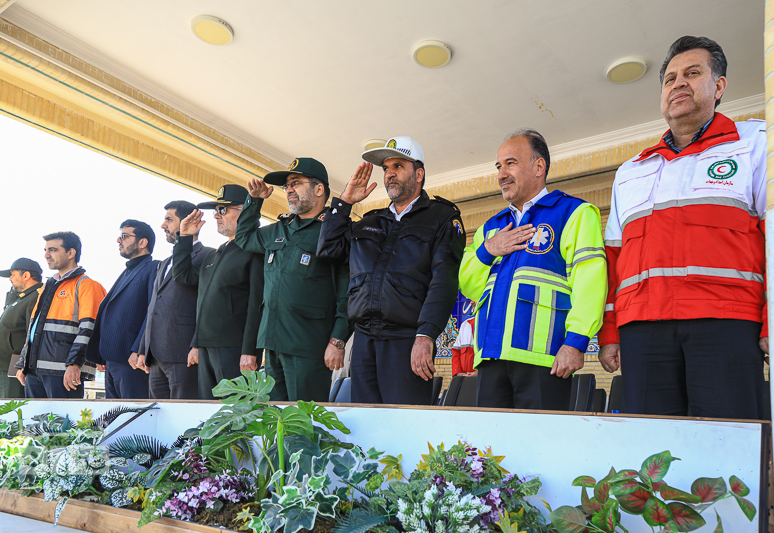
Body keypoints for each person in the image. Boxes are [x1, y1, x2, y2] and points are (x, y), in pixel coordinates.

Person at [598, 36, 768, 419]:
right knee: (651, 445)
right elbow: (614, 261)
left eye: (692, 73)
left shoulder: (755, 144)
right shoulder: (631, 171)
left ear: (719, 86)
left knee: (726, 442)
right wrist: (609, 332)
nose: (678, 84)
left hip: (726, 321)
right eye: (670, 78)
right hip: (642, 329)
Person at [459, 129, 607, 410]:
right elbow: (469, 286)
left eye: (510, 163)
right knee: (491, 438)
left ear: (539, 167)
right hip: (490, 357)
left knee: (540, 438)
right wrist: (488, 250)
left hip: (545, 359)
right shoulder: (490, 228)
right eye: (498, 166)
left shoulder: (574, 213)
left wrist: (576, 342)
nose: (501, 174)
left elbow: (590, 282)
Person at [317, 136, 465, 405]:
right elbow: (328, 250)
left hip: (407, 340)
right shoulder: (370, 221)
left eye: (398, 166)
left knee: (404, 421)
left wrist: (425, 336)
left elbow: (443, 282)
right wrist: (345, 202)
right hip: (364, 340)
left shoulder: (441, 218)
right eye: (386, 168)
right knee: (366, 420)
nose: (389, 174)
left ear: (418, 174)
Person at [234, 158, 352, 402]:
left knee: (304, 419)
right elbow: (244, 238)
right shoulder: (280, 229)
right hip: (272, 342)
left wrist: (338, 340)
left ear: (319, 189)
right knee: (278, 417)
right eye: (286, 185)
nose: (288, 190)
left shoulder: (334, 231)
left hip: (307, 344)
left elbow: (347, 290)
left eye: (295, 183)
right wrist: (254, 201)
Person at [173, 184, 264, 399]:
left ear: (244, 211)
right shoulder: (215, 255)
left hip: (234, 348)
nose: (216, 215)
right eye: (216, 210)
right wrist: (184, 237)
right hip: (206, 347)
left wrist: (250, 350)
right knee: (211, 411)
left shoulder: (254, 251)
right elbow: (183, 275)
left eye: (223, 210)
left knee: (235, 411)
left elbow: (257, 304)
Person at [137, 201, 214, 399]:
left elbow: (208, 305)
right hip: (155, 356)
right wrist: (143, 349)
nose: (163, 225)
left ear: (189, 221)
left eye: (169, 220)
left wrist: (197, 345)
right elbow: (154, 307)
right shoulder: (164, 263)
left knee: (183, 412)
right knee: (157, 413)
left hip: (184, 353)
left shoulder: (209, 255)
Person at [16, 232, 106, 398]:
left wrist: (74, 364)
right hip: (34, 371)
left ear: (71, 253)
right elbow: (34, 329)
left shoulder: (87, 286)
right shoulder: (47, 286)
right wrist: (24, 364)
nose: (46, 255)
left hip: (64, 372)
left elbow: (89, 329)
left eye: (53, 250)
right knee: (35, 416)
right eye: (45, 250)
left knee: (63, 415)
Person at [87, 220, 158, 399]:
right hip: (112, 361)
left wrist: (139, 349)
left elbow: (153, 312)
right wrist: (101, 355)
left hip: (132, 360)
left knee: (132, 413)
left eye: (125, 236)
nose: (119, 240)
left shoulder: (153, 268)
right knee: (115, 414)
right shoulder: (128, 271)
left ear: (143, 242)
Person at [0, 258, 44, 398]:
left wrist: (23, 365)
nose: (10, 279)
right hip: (6, 365)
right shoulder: (22, 297)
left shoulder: (35, 297)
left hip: (15, 366)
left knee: (11, 406)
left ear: (26, 276)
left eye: (12, 274)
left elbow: (33, 335)